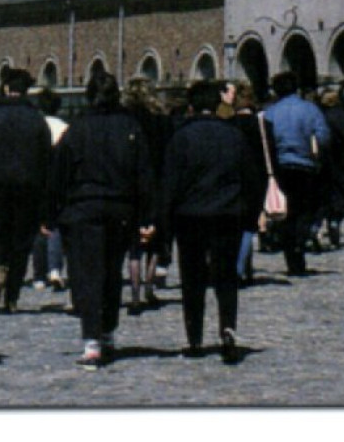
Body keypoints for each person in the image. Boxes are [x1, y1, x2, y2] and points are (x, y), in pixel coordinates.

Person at [47, 71, 156, 369]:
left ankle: (92, 338)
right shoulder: (130, 127)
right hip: (120, 209)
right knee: (111, 272)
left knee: (87, 275)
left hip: (84, 209)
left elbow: (59, 174)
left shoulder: (77, 130)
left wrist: (50, 213)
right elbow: (143, 174)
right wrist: (147, 215)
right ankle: (107, 331)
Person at [161, 80, 263, 364]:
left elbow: (169, 184)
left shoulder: (181, 138)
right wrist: (251, 217)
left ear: (191, 106)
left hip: (190, 216)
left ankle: (194, 338)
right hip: (227, 215)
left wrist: (165, 225)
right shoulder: (233, 136)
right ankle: (227, 329)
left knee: (192, 279)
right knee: (225, 277)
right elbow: (252, 179)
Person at [0, 66, 52, 313]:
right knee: (21, 241)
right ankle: (13, 296)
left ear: (6, 88)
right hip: (29, 189)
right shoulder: (38, 121)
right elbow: (46, 160)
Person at [263, 71, 331, 276]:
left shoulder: (270, 112)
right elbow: (323, 137)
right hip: (305, 167)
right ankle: (300, 242)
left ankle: (290, 253)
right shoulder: (310, 109)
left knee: (286, 212)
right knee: (305, 208)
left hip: (280, 168)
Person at [123, 77, 173, 310]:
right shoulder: (161, 121)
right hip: (157, 183)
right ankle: (149, 286)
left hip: (131, 182)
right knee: (156, 240)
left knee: (134, 244)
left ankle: (133, 292)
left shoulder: (124, 121)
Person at [228, 81, 271, 285]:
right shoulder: (263, 125)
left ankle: (238, 267)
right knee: (248, 225)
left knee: (234, 224)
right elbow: (270, 155)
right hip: (257, 179)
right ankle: (242, 268)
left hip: (233, 178)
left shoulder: (228, 124)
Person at [30, 87, 69, 291]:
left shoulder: (35, 126)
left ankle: (38, 275)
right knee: (56, 226)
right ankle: (55, 268)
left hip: (38, 180)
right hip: (59, 180)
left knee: (39, 228)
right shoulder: (64, 128)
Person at [318, 88, 344, 248]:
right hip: (343, 163)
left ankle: (325, 221)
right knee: (343, 193)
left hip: (324, 163)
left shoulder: (321, 117)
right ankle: (336, 220)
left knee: (325, 194)